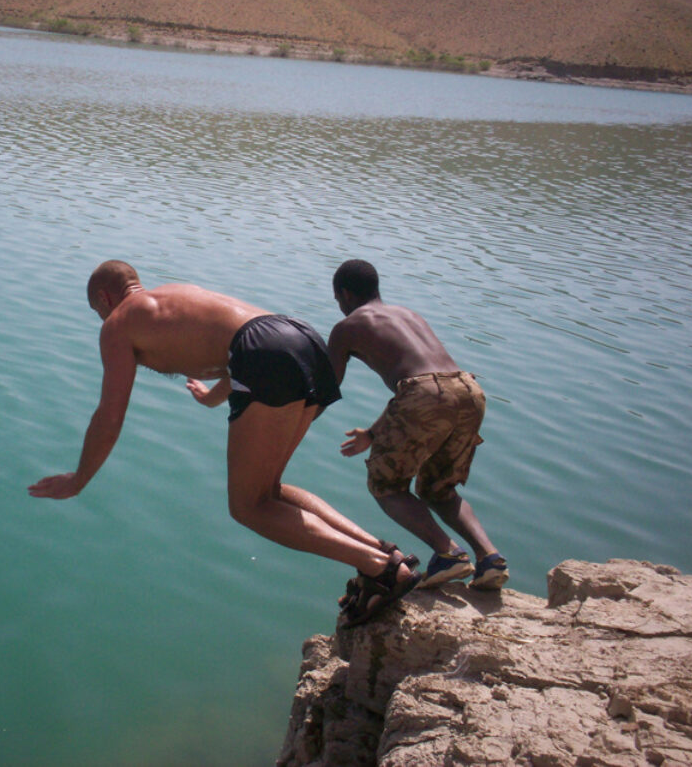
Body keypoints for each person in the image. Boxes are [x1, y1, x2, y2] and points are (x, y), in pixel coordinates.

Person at [29, 260, 421, 626]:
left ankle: (378, 569)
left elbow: (109, 415)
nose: (103, 319)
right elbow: (241, 341)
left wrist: (79, 479)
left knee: (248, 507)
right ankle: (385, 553)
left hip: (264, 352)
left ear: (104, 299)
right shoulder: (173, 295)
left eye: (99, 311)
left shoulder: (118, 322)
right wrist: (212, 398)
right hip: (302, 338)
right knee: (269, 491)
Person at [327, 258, 509, 590]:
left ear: (345, 294)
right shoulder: (409, 314)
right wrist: (372, 433)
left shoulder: (348, 326)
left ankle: (448, 554)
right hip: (468, 389)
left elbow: (326, 384)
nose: (339, 307)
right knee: (438, 488)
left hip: (424, 396)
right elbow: (427, 382)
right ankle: (490, 559)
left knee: (386, 486)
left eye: (338, 300)